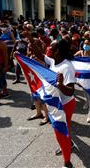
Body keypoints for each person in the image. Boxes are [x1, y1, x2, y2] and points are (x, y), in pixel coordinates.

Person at [29, 39, 76, 168]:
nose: (48, 49)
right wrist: (31, 41)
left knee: (60, 133)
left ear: (58, 51)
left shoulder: (67, 67)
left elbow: (71, 91)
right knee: (64, 130)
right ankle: (69, 143)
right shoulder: (55, 60)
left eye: (52, 47)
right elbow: (40, 55)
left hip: (64, 105)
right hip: (56, 103)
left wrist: (60, 85)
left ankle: (67, 163)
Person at [74, 38, 90, 123]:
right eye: (85, 43)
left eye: (88, 43)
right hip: (83, 78)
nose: (86, 45)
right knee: (84, 91)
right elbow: (72, 60)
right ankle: (87, 103)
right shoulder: (80, 53)